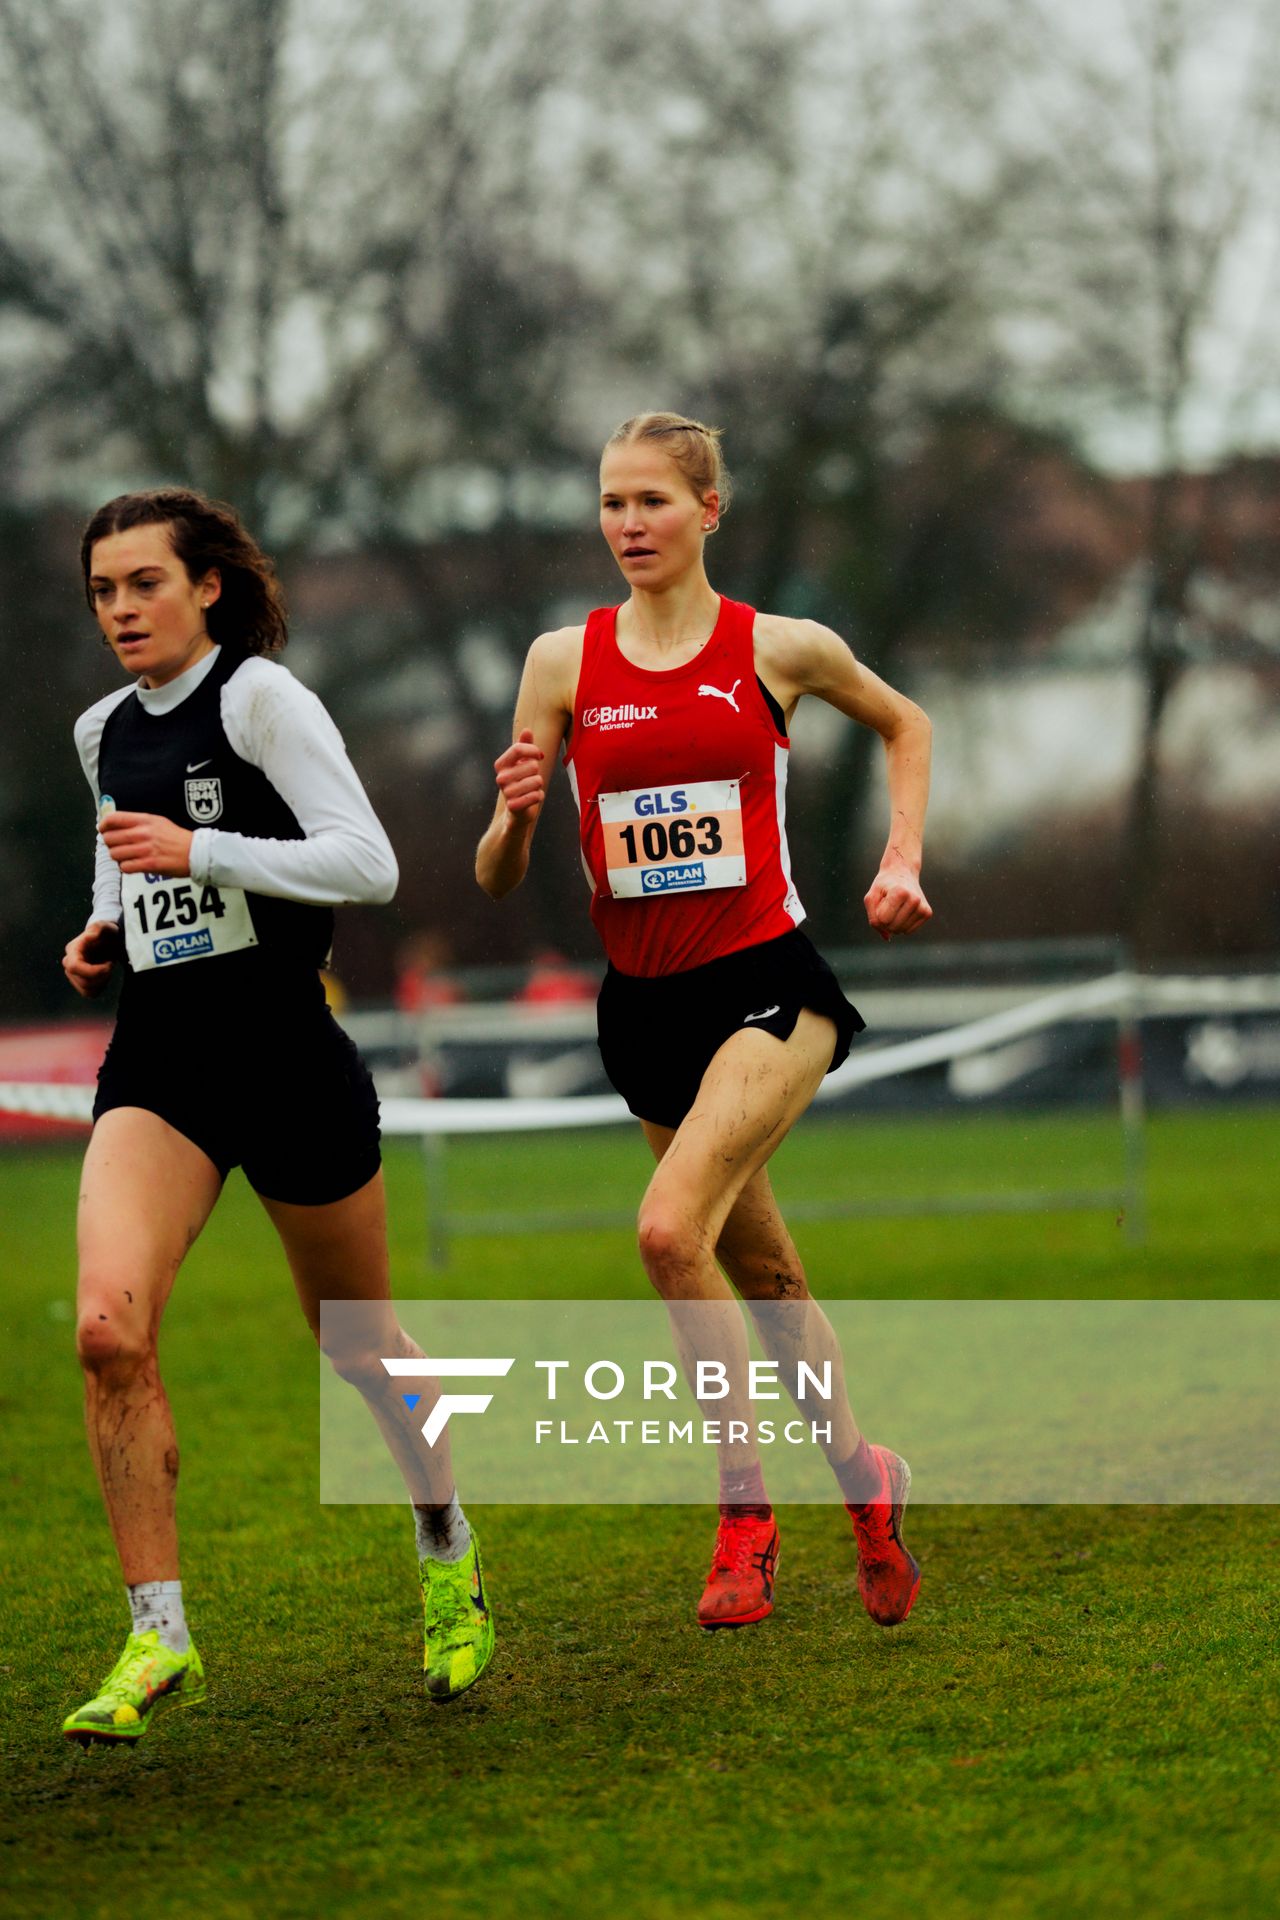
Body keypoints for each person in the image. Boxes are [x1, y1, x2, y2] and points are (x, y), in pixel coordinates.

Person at [477, 413, 932, 1631]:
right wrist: (516, 818)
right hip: (643, 1013)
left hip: (768, 987)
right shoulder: (559, 664)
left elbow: (906, 723)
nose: (627, 524)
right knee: (766, 1274)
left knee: (668, 1231)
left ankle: (744, 1517)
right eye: (611, 504)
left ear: (706, 512)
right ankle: (866, 1482)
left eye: (652, 503)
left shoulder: (776, 648)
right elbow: (495, 875)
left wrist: (898, 855)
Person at [61, 489, 492, 1743]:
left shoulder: (259, 700)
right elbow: (120, 860)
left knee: (356, 1343)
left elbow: (368, 864)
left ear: (205, 588)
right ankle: (157, 1632)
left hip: (288, 1060)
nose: (122, 608)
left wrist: (201, 857)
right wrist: (102, 927)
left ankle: (445, 1541)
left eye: (144, 583)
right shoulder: (99, 729)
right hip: (164, 1066)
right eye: (103, 590)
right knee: (104, 1330)